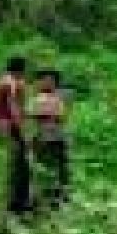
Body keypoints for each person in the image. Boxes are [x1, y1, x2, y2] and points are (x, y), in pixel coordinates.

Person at [0, 57, 30, 214]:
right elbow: (12, 106)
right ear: (21, 70)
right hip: (11, 127)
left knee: (14, 163)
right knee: (19, 164)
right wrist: (22, 129)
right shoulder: (11, 83)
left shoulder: (1, 82)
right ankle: (16, 204)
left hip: (3, 126)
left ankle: (15, 202)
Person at [31, 68, 70, 206]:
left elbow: (60, 116)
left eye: (50, 80)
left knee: (60, 167)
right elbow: (35, 118)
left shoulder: (59, 97)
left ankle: (60, 196)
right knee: (42, 167)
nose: (46, 83)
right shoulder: (38, 98)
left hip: (57, 137)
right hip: (42, 137)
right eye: (43, 80)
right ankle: (44, 197)